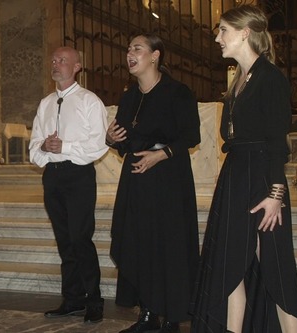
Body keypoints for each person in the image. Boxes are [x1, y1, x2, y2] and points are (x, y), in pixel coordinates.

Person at [190, 5, 297, 332]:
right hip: (236, 178)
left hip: (264, 182)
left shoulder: (270, 78)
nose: (217, 37)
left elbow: (278, 145)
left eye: (223, 30)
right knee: (230, 266)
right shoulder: (238, 81)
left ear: (244, 32)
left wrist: (276, 194)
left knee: (276, 268)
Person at [106, 34, 201, 333]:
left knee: (169, 246)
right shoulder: (129, 97)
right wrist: (112, 140)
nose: (129, 54)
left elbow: (191, 136)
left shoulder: (177, 92)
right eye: (128, 49)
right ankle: (147, 313)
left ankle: (172, 317)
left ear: (155, 55)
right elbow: (124, 141)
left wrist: (160, 155)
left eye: (137, 48)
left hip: (168, 179)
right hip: (136, 179)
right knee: (138, 243)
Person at [29, 46, 108, 323]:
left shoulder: (89, 101)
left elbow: (99, 145)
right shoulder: (46, 103)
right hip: (52, 175)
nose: (56, 64)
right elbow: (34, 147)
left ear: (77, 66)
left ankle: (94, 299)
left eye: (62, 60)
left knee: (80, 238)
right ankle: (72, 298)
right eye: (53, 60)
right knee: (64, 241)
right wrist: (45, 146)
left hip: (78, 176)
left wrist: (65, 146)